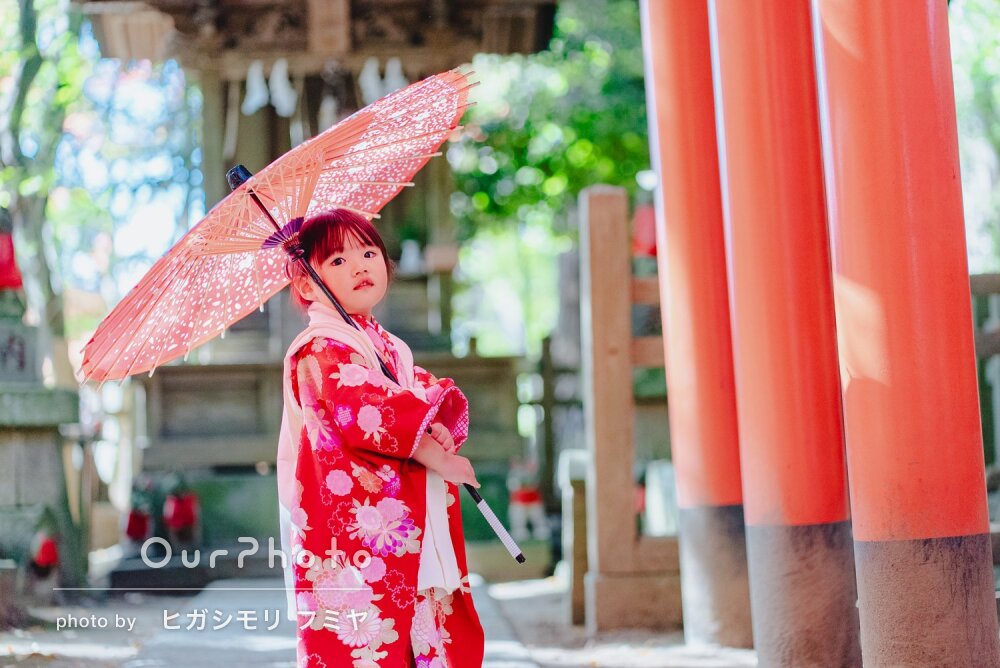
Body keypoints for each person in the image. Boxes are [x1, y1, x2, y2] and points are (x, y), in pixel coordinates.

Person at [275, 209, 485, 667]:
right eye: (336, 260)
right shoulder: (320, 349)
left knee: (417, 629)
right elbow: (366, 410)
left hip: (397, 523)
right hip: (354, 527)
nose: (359, 265)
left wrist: (436, 424)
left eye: (369, 251)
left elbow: (413, 393)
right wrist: (434, 454)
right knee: (366, 642)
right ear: (307, 284)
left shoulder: (381, 343)